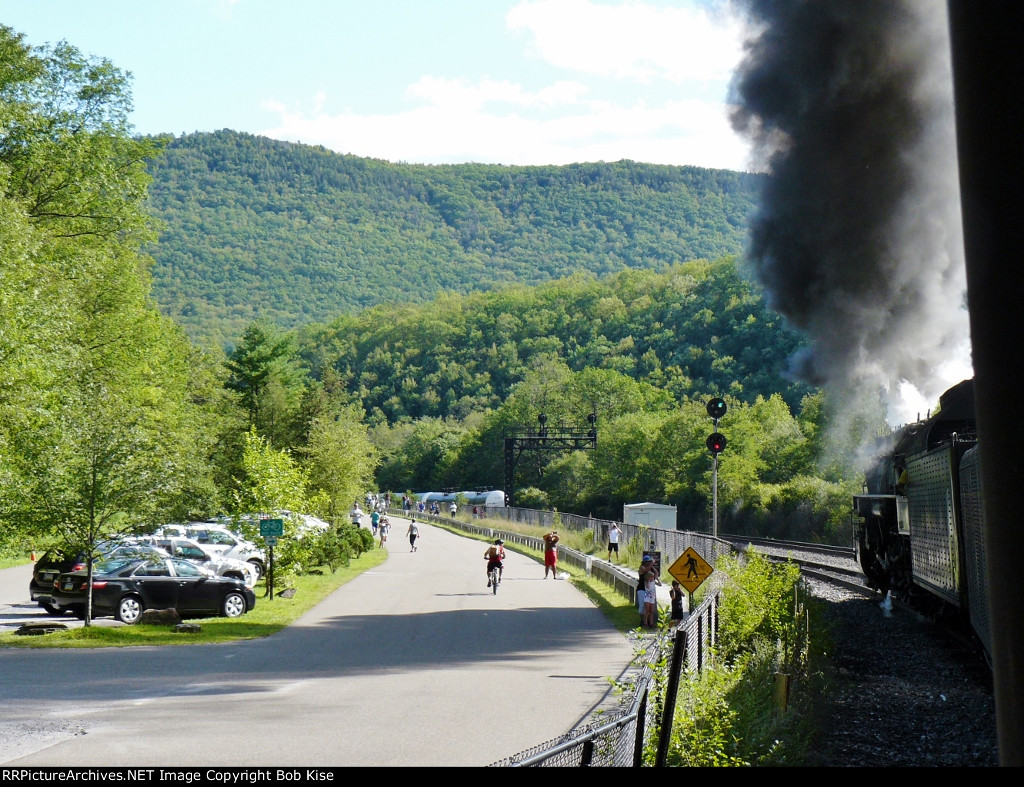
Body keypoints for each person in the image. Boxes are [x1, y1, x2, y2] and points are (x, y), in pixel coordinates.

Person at [643, 561, 662, 628]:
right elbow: (648, 587)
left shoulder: (654, 582)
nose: (652, 578)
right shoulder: (646, 582)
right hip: (647, 597)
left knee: (651, 611)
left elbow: (660, 584)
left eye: (653, 577)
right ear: (648, 577)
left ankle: (651, 623)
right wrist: (648, 580)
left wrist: (657, 579)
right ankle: (645, 623)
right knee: (647, 611)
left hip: (652, 597)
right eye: (651, 577)